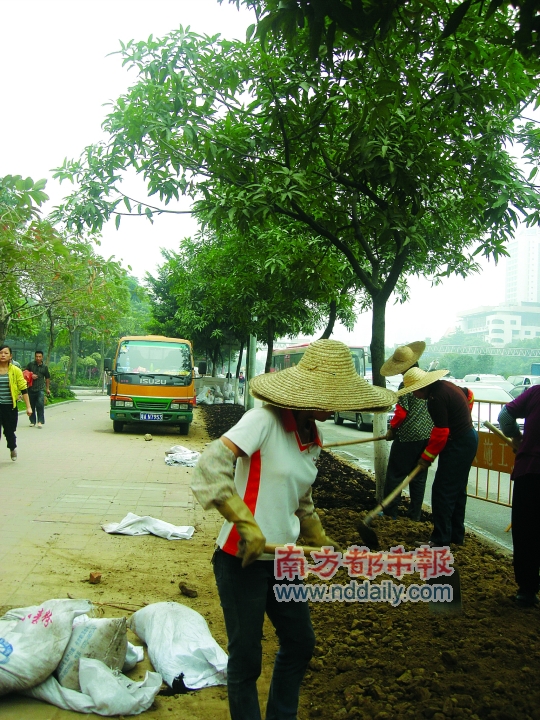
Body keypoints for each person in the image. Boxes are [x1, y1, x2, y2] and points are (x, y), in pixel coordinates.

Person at [191, 340, 396, 720]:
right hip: (242, 558)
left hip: (283, 559)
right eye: (329, 396)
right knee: (247, 657)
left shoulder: (312, 437)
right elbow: (209, 466)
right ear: (306, 393)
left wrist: (318, 536)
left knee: (300, 643)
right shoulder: (263, 421)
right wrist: (245, 523)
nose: (334, 405)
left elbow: (301, 500)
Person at [398, 367, 477, 547]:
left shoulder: (435, 399)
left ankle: (440, 540)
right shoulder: (446, 386)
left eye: (413, 392)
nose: (414, 395)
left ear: (420, 388)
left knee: (443, 492)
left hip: (459, 443)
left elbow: (441, 432)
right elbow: (469, 395)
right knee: (457, 491)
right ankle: (456, 536)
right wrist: (463, 418)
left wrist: (426, 457)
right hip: (467, 438)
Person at [380, 342, 433, 521]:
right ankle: (414, 515)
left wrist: (392, 429)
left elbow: (401, 413)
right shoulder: (428, 381)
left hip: (407, 437)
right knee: (418, 477)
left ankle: (390, 513)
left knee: (395, 475)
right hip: (426, 436)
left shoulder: (407, 385)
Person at [498, 385, 540, 608]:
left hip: (530, 472)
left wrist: (515, 436)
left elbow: (505, 415)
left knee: (526, 532)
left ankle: (527, 589)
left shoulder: (536, 392)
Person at [0, 344, 32, 460]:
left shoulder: (15, 370)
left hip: (9, 407)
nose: (3, 355)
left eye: (5, 353)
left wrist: (28, 407)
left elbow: (23, 388)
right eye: (0, 353)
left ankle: (12, 447)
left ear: (10, 356)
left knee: (9, 432)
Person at [26, 350, 51, 428]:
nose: (38, 358)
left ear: (42, 357)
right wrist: (31, 375)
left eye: (39, 356)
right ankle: (32, 421)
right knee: (31, 405)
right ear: (35, 357)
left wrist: (47, 388)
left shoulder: (45, 367)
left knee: (40, 405)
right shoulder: (30, 365)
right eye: (36, 356)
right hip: (31, 388)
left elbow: (47, 378)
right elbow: (24, 373)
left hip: (40, 389)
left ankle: (40, 421)